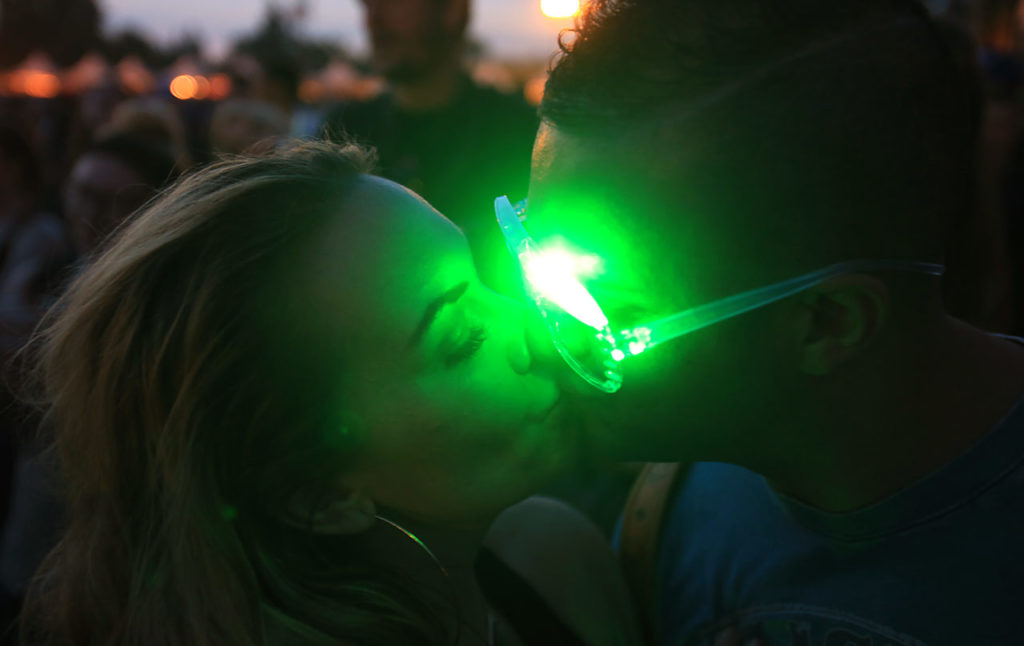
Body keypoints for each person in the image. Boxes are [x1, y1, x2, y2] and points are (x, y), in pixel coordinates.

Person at [509, 0, 1024, 644]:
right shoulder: (670, 515)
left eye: (606, 313)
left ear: (828, 323)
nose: (539, 338)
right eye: (537, 267)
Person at [16, 141, 641, 646]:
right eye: (462, 340)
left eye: (485, 275)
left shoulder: (552, 561)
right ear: (316, 494)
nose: (534, 325)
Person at [322, 0, 538, 294]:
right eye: (367, 5)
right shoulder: (343, 131)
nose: (375, 19)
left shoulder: (520, 132)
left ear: (453, 12)